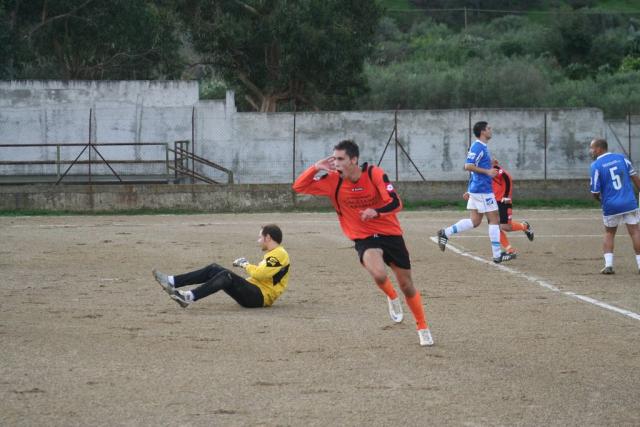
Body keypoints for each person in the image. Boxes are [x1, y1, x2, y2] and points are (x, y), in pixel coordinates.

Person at [292, 139, 434, 347]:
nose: (336, 163)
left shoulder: (374, 173)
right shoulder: (333, 180)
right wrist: (315, 167)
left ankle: (422, 326)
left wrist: (376, 212)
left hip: (390, 234)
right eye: (334, 159)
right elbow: (299, 187)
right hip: (363, 238)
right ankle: (392, 296)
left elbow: (396, 202)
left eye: (341, 159)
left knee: (407, 284)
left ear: (353, 160)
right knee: (379, 274)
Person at [152, 224, 290, 307]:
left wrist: (245, 264)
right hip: (254, 293)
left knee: (226, 276)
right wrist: (247, 266)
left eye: (260, 237)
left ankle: (189, 297)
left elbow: (260, 274)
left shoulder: (279, 254)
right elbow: (263, 272)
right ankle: (171, 281)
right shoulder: (274, 254)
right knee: (214, 268)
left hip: (260, 297)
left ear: (268, 238)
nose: (258, 241)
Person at [437, 121, 516, 263]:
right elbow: (468, 166)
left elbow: (475, 169)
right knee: (494, 220)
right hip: (483, 190)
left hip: (477, 189)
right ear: (482, 131)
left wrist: (490, 165)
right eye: (489, 128)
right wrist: (488, 171)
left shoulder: (482, 147)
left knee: (475, 221)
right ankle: (497, 255)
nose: (491, 130)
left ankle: (445, 232)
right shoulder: (478, 147)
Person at [589, 138, 640, 274]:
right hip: (629, 202)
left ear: (599, 149)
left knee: (609, 233)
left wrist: (599, 199)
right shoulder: (622, 159)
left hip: (611, 205)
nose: (591, 151)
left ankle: (609, 265)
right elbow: (636, 179)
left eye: (592, 148)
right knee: (635, 232)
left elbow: (595, 191)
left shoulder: (596, 165)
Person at [483, 158, 534, 256]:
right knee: (495, 227)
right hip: (491, 202)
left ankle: (525, 226)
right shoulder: (485, 172)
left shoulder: (496, 170)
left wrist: (506, 196)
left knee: (506, 227)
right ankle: (510, 250)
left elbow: (507, 177)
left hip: (503, 201)